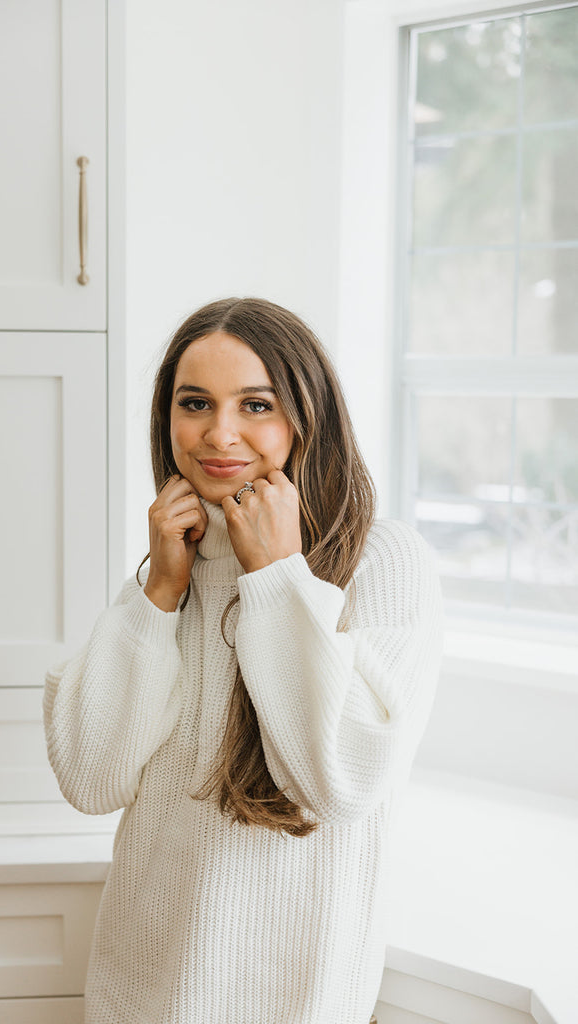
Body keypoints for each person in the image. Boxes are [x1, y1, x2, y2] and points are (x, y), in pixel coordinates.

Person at [43, 297, 442, 1024]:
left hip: (292, 1001)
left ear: (304, 417)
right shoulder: (169, 569)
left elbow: (342, 780)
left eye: (255, 404)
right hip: (137, 992)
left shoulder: (382, 563)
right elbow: (90, 777)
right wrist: (157, 592)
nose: (219, 434)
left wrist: (277, 575)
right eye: (194, 402)